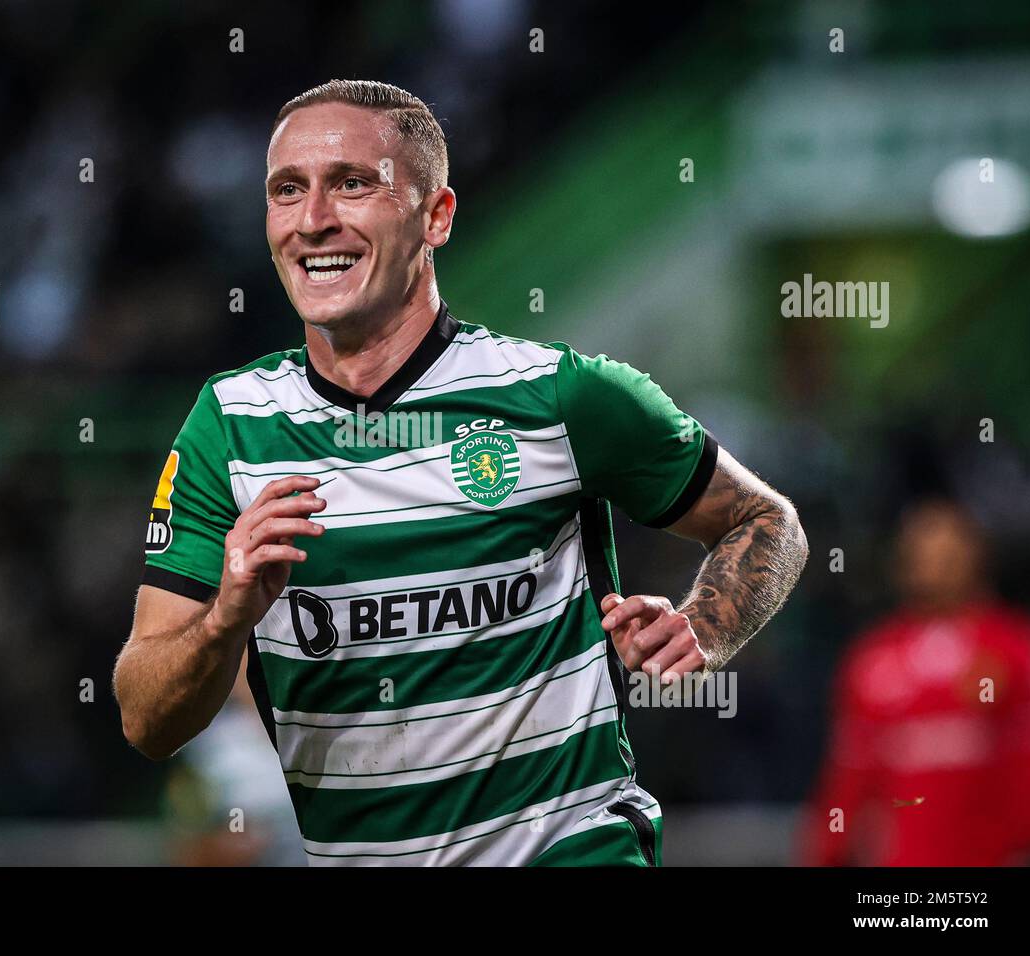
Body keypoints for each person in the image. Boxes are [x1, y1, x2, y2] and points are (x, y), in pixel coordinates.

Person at [114, 79, 808, 866]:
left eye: (352, 184)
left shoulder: (560, 396)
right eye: (287, 191)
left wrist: (705, 627)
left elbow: (766, 520)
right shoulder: (228, 427)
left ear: (436, 215)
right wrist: (228, 615)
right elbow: (145, 718)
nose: (314, 221)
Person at [801, 499, 1030, 866]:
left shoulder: (1016, 650)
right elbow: (848, 775)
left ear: (976, 555)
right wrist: (825, 851)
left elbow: (1028, 762)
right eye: (921, 550)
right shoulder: (873, 658)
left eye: (947, 551)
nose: (933, 563)